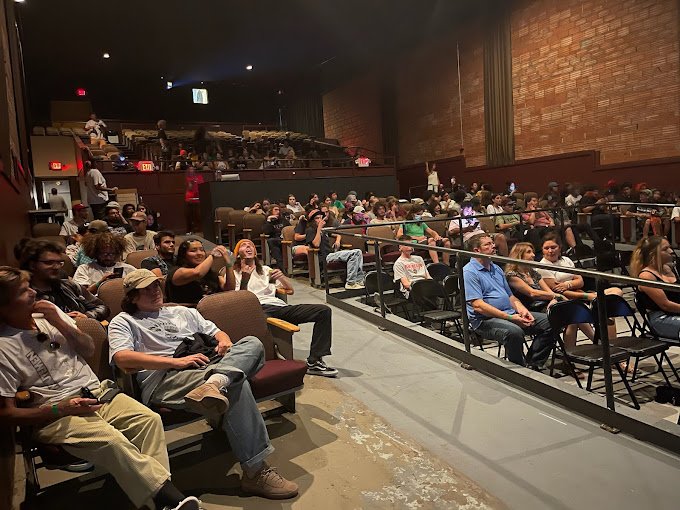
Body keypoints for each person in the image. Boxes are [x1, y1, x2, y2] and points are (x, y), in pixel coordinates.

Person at [0, 267, 199, 510]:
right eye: (23, 291)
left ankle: (156, 503)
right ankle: (171, 501)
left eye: (30, 286)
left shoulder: (50, 316)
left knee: (149, 420)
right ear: (5, 305)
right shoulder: (3, 347)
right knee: (112, 441)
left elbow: (88, 350)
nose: (33, 292)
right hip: (56, 412)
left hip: (97, 393)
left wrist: (59, 322)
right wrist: (59, 409)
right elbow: (7, 414)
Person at [108, 269, 298, 499]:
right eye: (145, 289)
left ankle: (216, 383)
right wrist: (175, 362)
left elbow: (217, 332)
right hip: (167, 377)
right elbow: (122, 358)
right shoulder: (124, 321)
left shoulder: (182, 311)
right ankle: (255, 472)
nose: (154, 292)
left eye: (155, 286)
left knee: (252, 343)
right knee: (236, 385)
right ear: (132, 297)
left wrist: (225, 342)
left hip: (208, 366)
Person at [232, 239, 337, 377]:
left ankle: (315, 361)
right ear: (238, 253)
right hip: (258, 309)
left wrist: (282, 277)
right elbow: (239, 298)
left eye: (251, 245)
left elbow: (290, 290)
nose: (249, 247)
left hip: (280, 307)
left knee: (323, 311)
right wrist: (245, 278)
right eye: (244, 245)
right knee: (265, 326)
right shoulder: (235, 273)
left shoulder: (265, 270)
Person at [463, 233, 556, 368]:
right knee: (514, 332)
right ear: (477, 250)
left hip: (510, 313)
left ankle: (533, 364)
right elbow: (478, 306)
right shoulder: (469, 272)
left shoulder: (496, 268)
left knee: (552, 321)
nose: (493, 246)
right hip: (485, 320)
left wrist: (523, 311)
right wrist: (511, 318)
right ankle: (518, 370)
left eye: (492, 243)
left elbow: (510, 296)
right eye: (488, 244)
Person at [19, 239, 110, 321]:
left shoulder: (69, 286)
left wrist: (86, 316)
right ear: (32, 265)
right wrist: (60, 319)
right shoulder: (22, 295)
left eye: (59, 263)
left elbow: (102, 307)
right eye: (49, 263)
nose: (56, 267)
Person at [630, 236, 680, 339]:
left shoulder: (670, 269)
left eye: (670, 247)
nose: (671, 251)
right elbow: (665, 305)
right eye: (665, 249)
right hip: (661, 319)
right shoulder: (646, 276)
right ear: (653, 254)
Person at [306, 209, 365, 290]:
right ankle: (350, 283)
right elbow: (315, 244)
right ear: (312, 221)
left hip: (332, 253)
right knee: (353, 254)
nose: (320, 220)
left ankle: (358, 280)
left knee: (358, 251)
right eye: (317, 218)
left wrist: (337, 241)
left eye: (321, 217)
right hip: (323, 257)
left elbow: (337, 235)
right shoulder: (310, 230)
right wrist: (319, 229)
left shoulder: (324, 230)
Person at [165, 239, 234, 305]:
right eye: (193, 251)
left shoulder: (210, 273)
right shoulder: (177, 271)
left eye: (201, 250)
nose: (199, 253)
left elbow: (229, 289)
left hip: (213, 310)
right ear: (183, 255)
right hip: (187, 312)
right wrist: (212, 255)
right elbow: (198, 273)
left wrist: (228, 263)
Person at [184, 166, 204, 234]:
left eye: (193, 169)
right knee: (189, 216)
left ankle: (199, 230)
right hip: (189, 199)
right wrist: (191, 183)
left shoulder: (199, 177)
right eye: (190, 169)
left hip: (198, 199)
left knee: (198, 216)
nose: (192, 171)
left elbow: (202, 185)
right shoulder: (187, 178)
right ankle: (189, 230)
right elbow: (189, 188)